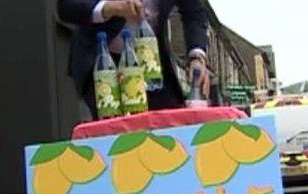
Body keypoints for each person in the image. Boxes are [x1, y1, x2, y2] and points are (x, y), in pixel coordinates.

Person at [57, 0, 210, 119]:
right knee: (109, 135)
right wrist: (109, 8)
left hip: (152, 64)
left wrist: (197, 56)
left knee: (166, 130)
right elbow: (66, 7)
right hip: (102, 66)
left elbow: (194, 12)